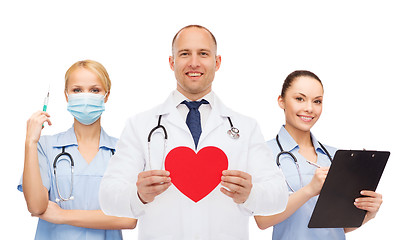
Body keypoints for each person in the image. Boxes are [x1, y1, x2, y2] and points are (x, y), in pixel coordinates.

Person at [99, 25, 288, 240]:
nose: (194, 62)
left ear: (217, 62)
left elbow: (279, 196)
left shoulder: (246, 127)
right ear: (172, 62)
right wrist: (138, 195)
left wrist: (250, 195)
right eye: (184, 54)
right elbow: (107, 197)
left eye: (203, 54)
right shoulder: (140, 125)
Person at [254, 70, 383, 239]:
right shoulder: (263, 153)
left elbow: (338, 227)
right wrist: (309, 190)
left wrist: (368, 213)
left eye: (317, 101)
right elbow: (262, 220)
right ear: (281, 101)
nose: (309, 108)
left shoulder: (336, 156)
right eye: (300, 99)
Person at [18, 60, 137, 240]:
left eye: (95, 90)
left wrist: (62, 215)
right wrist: (30, 142)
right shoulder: (45, 146)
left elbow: (128, 218)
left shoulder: (123, 150)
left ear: (106, 95)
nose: (86, 96)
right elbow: (36, 207)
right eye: (77, 90)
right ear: (66, 95)